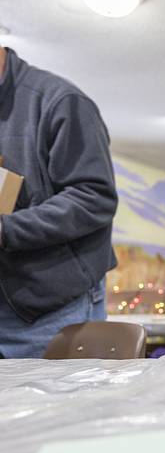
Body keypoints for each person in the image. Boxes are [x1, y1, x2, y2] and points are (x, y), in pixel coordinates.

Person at [0, 45, 117, 359]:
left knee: (59, 407)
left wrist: (5, 229)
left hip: (49, 309)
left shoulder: (61, 102)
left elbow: (94, 198)